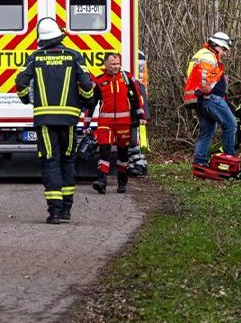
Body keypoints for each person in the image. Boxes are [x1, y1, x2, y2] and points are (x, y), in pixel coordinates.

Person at [15, 17, 96, 224]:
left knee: (50, 162)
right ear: (59, 36)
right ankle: (67, 210)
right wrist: (88, 102)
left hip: (44, 120)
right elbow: (87, 86)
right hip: (69, 120)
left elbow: (21, 83)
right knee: (68, 160)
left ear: (41, 39)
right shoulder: (74, 56)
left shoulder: (35, 58)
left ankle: (55, 212)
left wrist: (26, 99)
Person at [84, 52, 148, 194]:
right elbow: (91, 105)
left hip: (124, 123)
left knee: (123, 154)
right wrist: (86, 125)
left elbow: (137, 98)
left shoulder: (127, 78)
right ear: (105, 64)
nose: (116, 66)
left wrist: (141, 115)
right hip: (105, 123)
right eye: (113, 64)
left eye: (118, 64)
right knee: (104, 151)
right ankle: (101, 181)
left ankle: (122, 182)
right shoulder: (99, 81)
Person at [182, 31, 237, 169]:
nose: (225, 53)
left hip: (199, 100)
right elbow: (204, 80)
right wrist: (213, 89)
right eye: (224, 49)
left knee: (207, 130)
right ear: (216, 45)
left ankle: (200, 161)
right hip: (209, 98)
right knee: (231, 124)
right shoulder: (208, 57)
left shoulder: (201, 54)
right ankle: (229, 160)